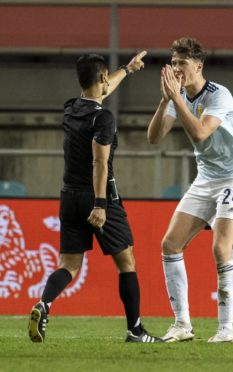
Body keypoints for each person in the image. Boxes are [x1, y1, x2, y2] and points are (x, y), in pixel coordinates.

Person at [27, 52, 161, 343]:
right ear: (101, 77)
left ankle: (44, 304)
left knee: (69, 265)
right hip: (98, 198)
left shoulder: (71, 108)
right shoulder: (104, 118)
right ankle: (135, 330)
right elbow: (99, 163)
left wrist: (127, 69)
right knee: (126, 262)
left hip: (68, 197)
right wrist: (100, 204)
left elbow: (101, 89)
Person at [147, 37, 233, 344]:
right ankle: (182, 324)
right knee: (170, 244)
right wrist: (166, 100)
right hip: (206, 178)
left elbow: (201, 132)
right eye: (174, 63)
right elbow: (154, 137)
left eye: (183, 63)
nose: (177, 69)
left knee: (221, 248)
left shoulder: (219, 95)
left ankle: (226, 329)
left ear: (199, 65)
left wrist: (177, 99)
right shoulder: (177, 97)